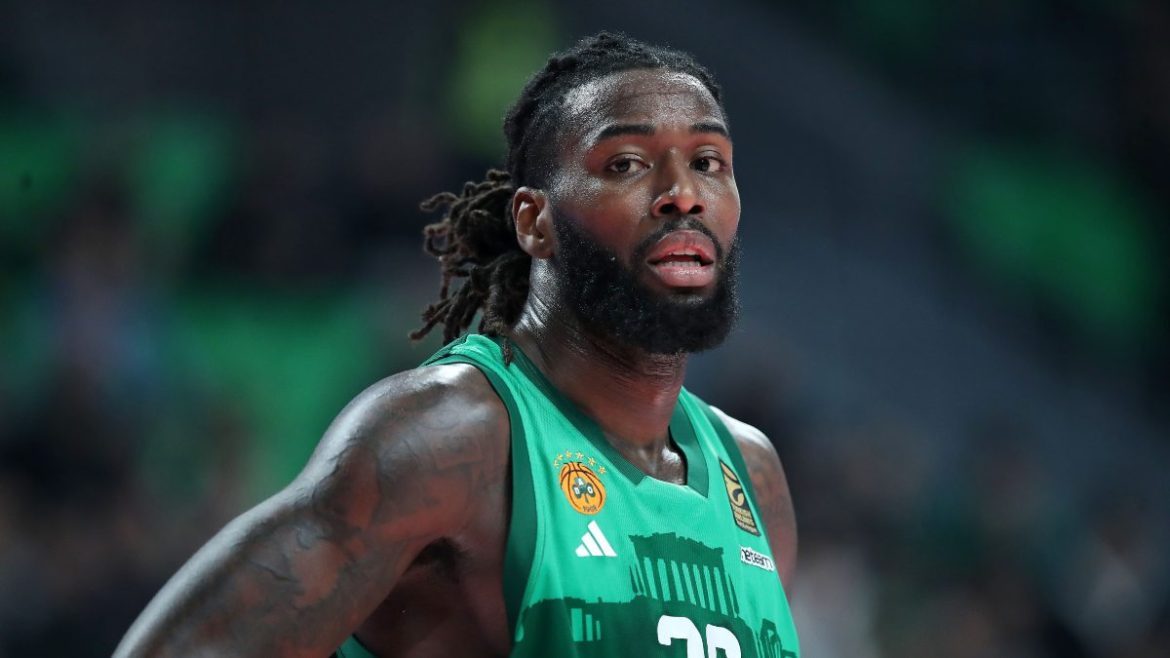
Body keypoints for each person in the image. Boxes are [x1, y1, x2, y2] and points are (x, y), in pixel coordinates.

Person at [115, 32, 800, 658]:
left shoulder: (753, 478)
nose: (683, 194)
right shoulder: (444, 440)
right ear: (535, 222)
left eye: (708, 161)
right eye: (626, 163)